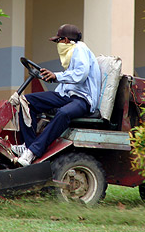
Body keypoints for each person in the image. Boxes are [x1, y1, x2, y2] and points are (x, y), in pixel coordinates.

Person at [12, 24, 101, 166]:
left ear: (65, 40)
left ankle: (33, 151)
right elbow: (68, 79)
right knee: (27, 100)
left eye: (57, 41)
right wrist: (52, 76)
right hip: (67, 95)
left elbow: (81, 74)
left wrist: (56, 76)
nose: (57, 45)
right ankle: (28, 147)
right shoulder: (71, 52)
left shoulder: (80, 49)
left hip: (82, 98)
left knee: (64, 113)